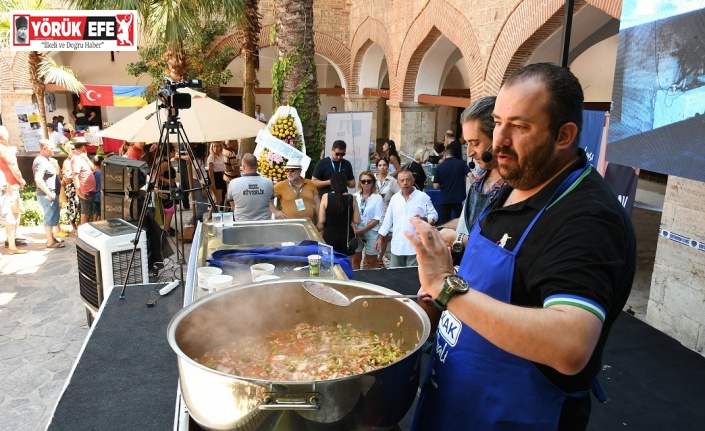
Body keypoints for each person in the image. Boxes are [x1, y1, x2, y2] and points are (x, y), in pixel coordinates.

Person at [405, 63, 637, 431]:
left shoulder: (588, 217)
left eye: (520, 126)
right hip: (453, 402)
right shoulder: (517, 180)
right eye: (497, 122)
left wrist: (447, 288)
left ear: (564, 135)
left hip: (513, 416)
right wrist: (433, 308)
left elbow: (570, 344)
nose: (499, 140)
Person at [438, 96, 505, 251]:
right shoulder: (480, 176)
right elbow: (466, 223)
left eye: (475, 143)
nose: (469, 152)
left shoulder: (516, 187)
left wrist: (458, 240)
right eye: (467, 143)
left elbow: (501, 245)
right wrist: (438, 231)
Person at [374, 169, 437, 268]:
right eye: (402, 181)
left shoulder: (423, 197)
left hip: (416, 246)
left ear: (413, 181)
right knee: (396, 277)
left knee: (412, 276)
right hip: (397, 245)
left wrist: (425, 219)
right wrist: (380, 237)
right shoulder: (395, 198)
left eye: (408, 180)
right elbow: (388, 220)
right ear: (398, 183)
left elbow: (433, 214)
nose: (405, 183)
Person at [317, 172, 360, 256]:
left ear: (332, 183)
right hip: (346, 235)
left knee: (329, 260)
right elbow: (357, 220)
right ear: (345, 183)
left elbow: (322, 220)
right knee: (346, 261)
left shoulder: (326, 196)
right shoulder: (352, 198)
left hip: (330, 234)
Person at [32, 140, 65, 249]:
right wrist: (48, 192)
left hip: (51, 193)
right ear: (43, 148)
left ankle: (52, 238)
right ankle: (50, 242)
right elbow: (38, 178)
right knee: (49, 218)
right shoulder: (41, 161)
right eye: (51, 148)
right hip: (47, 195)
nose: (53, 151)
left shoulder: (45, 160)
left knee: (52, 217)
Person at [0, 127, 28, 254]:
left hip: (7, 185)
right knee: (11, 214)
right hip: (9, 185)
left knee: (13, 212)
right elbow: (14, 168)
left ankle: (12, 239)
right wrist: (21, 180)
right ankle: (11, 243)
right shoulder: (5, 150)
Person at [226, 153, 274, 221]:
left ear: (243, 166)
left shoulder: (233, 183)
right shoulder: (268, 182)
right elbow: (270, 202)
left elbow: (233, 206)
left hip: (242, 223)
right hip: (263, 223)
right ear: (257, 166)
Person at [351, 171, 383, 270]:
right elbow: (351, 216)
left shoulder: (377, 198)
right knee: (355, 258)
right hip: (356, 230)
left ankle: (374, 282)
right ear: (360, 183)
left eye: (368, 181)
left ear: (373, 182)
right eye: (363, 181)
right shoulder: (354, 196)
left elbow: (377, 219)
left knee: (372, 260)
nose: (366, 183)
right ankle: (356, 281)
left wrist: (362, 231)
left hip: (371, 230)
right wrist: (356, 231)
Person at [432, 148, 472, 224]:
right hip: (459, 198)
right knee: (461, 221)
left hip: (445, 198)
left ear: (444, 155)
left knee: (445, 222)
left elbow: (435, 186)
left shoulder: (439, 167)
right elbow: (471, 176)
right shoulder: (462, 163)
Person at [373, 157, 400, 267]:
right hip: (373, 207)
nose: (382, 167)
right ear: (377, 167)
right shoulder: (372, 178)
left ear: (388, 166)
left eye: (384, 165)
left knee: (383, 235)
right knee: (372, 233)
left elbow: (398, 194)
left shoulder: (392, 180)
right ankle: (371, 256)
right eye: (380, 165)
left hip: (385, 207)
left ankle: (380, 257)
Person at [71, 141, 97, 226]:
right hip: (85, 190)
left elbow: (93, 169)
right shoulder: (76, 158)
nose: (87, 147)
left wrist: (86, 158)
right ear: (82, 146)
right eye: (86, 145)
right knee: (85, 214)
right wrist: (79, 192)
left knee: (88, 213)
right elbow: (75, 176)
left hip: (90, 189)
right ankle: (82, 233)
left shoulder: (83, 157)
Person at [187, 143, 211, 226]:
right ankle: (190, 223)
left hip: (201, 182)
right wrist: (203, 188)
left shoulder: (199, 160)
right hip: (199, 183)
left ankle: (199, 224)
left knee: (200, 205)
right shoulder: (197, 161)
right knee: (203, 206)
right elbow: (198, 175)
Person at [157, 145, 177, 235]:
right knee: (170, 208)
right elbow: (157, 176)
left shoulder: (168, 162)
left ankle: (167, 226)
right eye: (173, 151)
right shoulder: (164, 163)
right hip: (166, 188)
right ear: (169, 152)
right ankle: (167, 228)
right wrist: (168, 181)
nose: (174, 153)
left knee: (170, 208)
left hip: (170, 187)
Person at [61, 143, 79, 234]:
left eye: (75, 148)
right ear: (68, 150)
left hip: (79, 186)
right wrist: (77, 175)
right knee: (73, 207)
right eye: (72, 149)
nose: (74, 150)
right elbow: (66, 178)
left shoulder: (78, 159)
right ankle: (73, 225)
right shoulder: (67, 162)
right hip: (72, 188)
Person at [207, 141, 227, 209]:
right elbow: (210, 170)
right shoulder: (211, 156)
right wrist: (213, 183)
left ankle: (214, 214)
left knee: (219, 199)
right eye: (214, 146)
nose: (215, 148)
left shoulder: (222, 155)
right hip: (214, 177)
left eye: (217, 146)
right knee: (219, 200)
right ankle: (210, 215)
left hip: (221, 176)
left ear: (220, 147)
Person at [92, 155, 103, 221]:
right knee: (100, 214)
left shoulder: (93, 174)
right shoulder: (103, 173)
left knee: (96, 213)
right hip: (101, 196)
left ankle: (94, 225)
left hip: (95, 196)